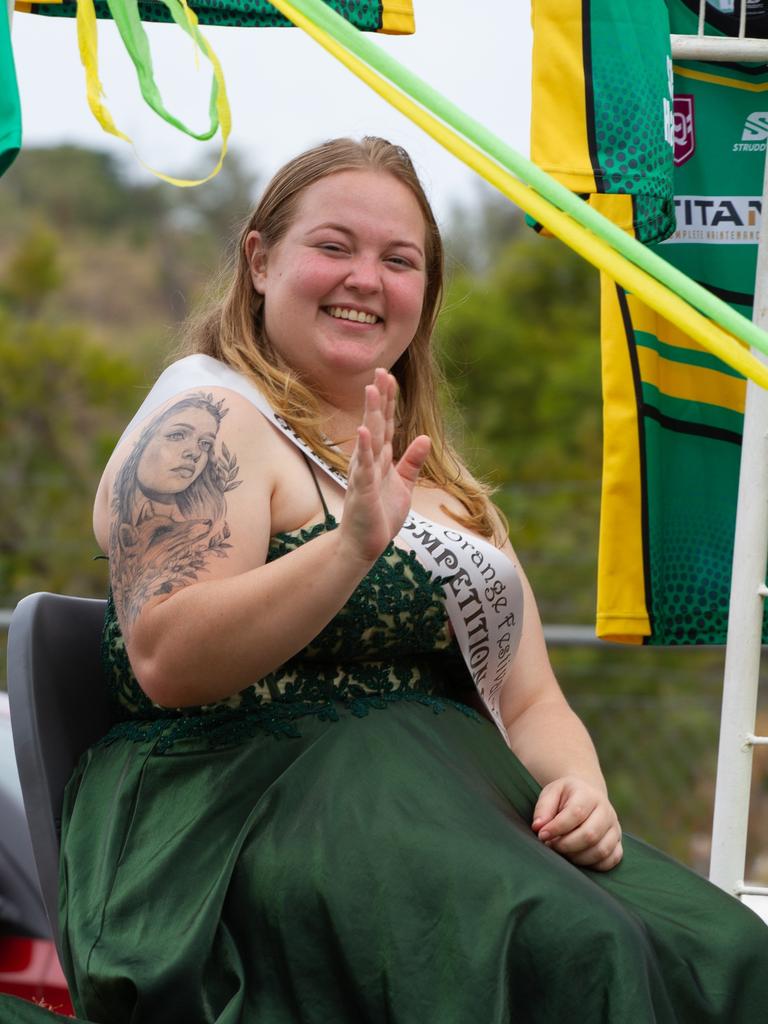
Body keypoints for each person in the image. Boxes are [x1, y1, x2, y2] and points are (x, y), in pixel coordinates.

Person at [3, 136, 768, 1024]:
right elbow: (165, 656)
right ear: (259, 260)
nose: (365, 278)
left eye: (399, 261)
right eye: (334, 246)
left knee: (726, 952)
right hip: (247, 829)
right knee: (564, 948)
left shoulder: (442, 488)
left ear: (424, 296)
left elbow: (528, 705)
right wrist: (345, 552)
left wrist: (581, 790)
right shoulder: (208, 416)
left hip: (451, 822)